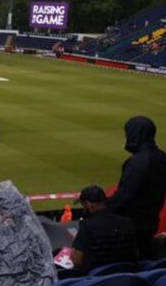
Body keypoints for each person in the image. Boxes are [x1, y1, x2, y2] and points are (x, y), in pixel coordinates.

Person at [107, 116, 166, 259]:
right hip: (152, 220)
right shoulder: (162, 157)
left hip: (131, 225)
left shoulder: (137, 162)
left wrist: (102, 209)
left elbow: (124, 196)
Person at [71, 185, 138, 273]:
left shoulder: (87, 226)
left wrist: (75, 245)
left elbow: (76, 261)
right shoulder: (127, 222)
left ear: (88, 204)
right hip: (128, 275)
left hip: (98, 279)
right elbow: (136, 254)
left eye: (83, 204)